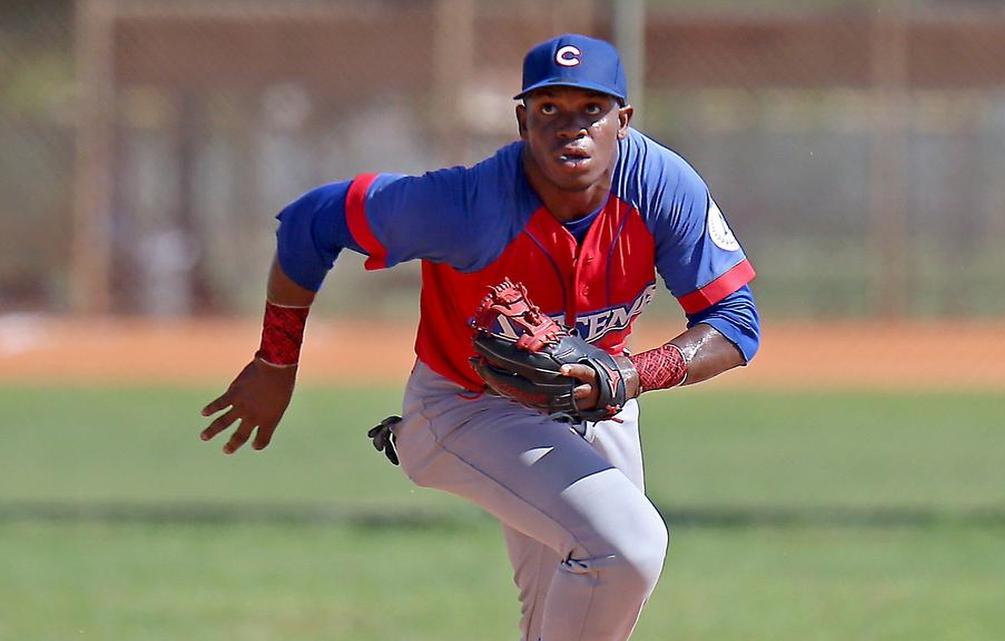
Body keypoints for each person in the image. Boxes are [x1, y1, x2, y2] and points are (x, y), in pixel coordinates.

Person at [201, 33, 760, 641]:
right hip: (468, 406)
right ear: (523, 122)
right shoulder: (466, 208)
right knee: (627, 548)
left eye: (591, 109)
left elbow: (735, 321)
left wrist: (633, 374)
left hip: (598, 399)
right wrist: (276, 361)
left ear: (622, 121)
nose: (570, 128)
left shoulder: (659, 188)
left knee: (581, 596)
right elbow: (313, 220)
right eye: (549, 108)